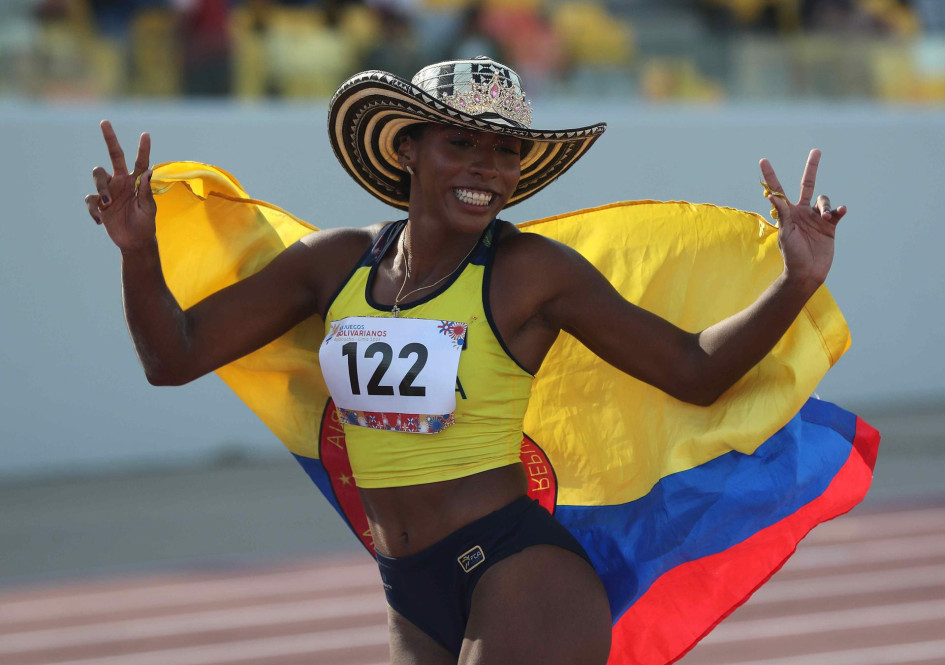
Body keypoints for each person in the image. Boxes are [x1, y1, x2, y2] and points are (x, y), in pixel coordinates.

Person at [85, 57, 849, 664]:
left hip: (522, 578)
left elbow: (692, 370)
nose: (486, 167)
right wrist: (137, 250)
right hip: (408, 590)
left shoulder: (529, 273)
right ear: (408, 148)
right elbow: (174, 357)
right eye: (461, 143)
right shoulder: (333, 264)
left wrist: (795, 282)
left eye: (504, 150)